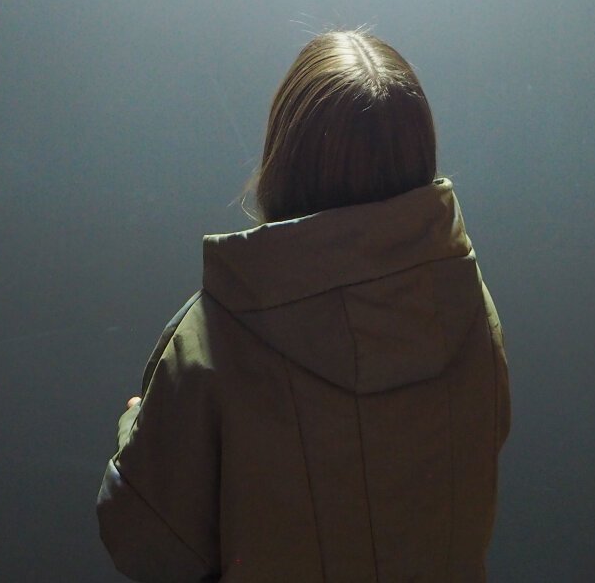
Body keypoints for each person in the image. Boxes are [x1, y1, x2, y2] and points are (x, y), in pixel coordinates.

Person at [96, 29, 511, 582]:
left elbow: (147, 545)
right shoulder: (468, 305)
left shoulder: (213, 337)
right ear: (418, 149)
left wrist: (135, 423)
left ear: (286, 153)